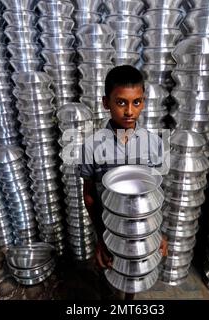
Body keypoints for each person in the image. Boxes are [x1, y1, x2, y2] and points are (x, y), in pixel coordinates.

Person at [78, 65, 168, 300]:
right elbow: (89, 196)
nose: (130, 111)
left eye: (136, 102)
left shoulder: (154, 144)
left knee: (133, 278)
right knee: (108, 275)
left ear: (144, 102)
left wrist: (158, 234)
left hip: (141, 229)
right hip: (108, 228)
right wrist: (102, 239)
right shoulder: (92, 146)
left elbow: (157, 194)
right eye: (121, 103)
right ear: (106, 102)